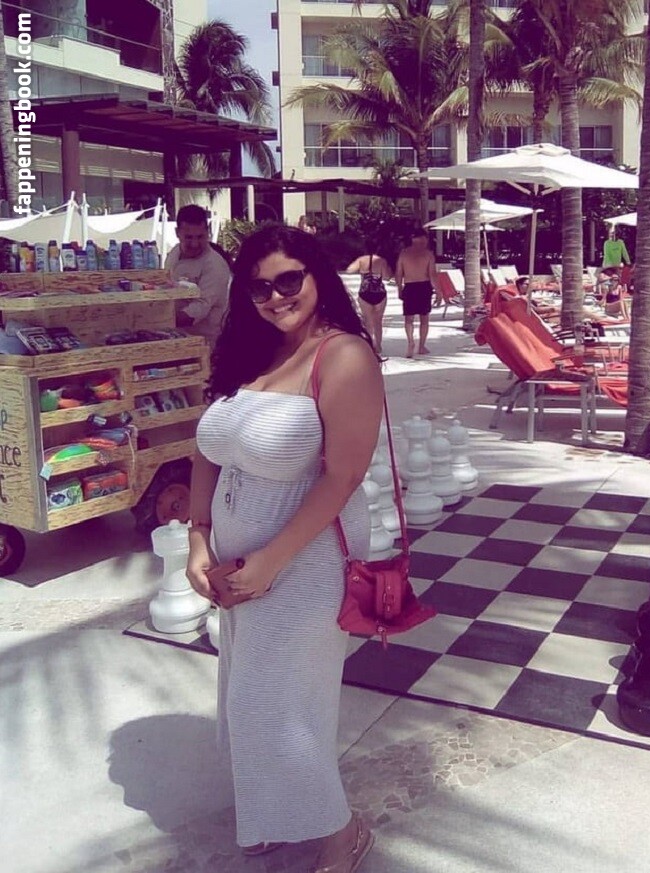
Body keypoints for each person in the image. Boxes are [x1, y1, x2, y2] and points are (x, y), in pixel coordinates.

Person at [187, 224, 383, 869]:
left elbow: (343, 475)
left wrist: (270, 563)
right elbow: (207, 449)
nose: (276, 297)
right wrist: (197, 539)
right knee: (246, 694)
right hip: (238, 566)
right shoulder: (252, 354)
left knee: (279, 703)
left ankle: (342, 832)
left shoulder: (344, 355)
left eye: (288, 280)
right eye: (259, 288)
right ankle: (273, 809)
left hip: (304, 564)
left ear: (316, 275)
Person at [165, 204, 231, 347]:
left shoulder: (214, 264)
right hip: (174, 340)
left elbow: (199, 309)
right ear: (177, 233)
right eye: (188, 237)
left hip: (205, 345)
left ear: (208, 232)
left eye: (200, 237)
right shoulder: (174, 253)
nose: (194, 244)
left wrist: (159, 320)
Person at [395, 227, 436, 357]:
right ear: (423, 238)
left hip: (409, 286)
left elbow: (398, 274)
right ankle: (421, 346)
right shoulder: (428, 254)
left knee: (409, 319)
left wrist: (399, 289)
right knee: (424, 319)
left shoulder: (404, 253)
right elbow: (432, 275)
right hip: (424, 287)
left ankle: (410, 342)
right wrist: (439, 291)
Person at [345, 250, 392, 354]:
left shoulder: (361, 260)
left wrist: (362, 269)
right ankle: (378, 346)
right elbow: (386, 276)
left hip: (364, 292)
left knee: (367, 322)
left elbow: (349, 270)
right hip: (379, 293)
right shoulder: (381, 260)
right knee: (378, 321)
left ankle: (370, 345)